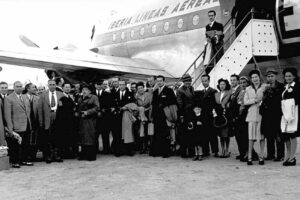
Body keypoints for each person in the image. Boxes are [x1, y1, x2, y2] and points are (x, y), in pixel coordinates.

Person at [4, 81, 33, 168]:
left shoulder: (25, 97)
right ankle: (15, 161)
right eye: (17, 86)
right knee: (15, 146)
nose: (19, 88)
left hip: (27, 124)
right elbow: (7, 115)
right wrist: (10, 129)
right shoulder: (9, 98)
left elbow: (28, 111)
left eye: (20, 86)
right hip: (16, 126)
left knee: (26, 144)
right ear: (13, 87)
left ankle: (24, 160)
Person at [260, 68, 285, 161]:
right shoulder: (265, 87)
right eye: (268, 76)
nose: (270, 78)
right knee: (269, 135)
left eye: (272, 76)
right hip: (267, 115)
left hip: (278, 114)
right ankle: (270, 154)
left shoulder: (281, 86)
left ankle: (280, 155)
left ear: (276, 76)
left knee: (278, 136)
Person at [244, 70, 267, 165]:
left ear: (259, 77)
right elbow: (245, 101)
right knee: (251, 137)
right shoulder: (248, 89)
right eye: (253, 77)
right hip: (252, 114)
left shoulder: (264, 87)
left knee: (262, 137)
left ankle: (261, 157)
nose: (255, 79)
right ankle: (250, 157)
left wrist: (262, 101)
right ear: (251, 79)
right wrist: (254, 100)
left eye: (256, 77)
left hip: (262, 114)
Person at [38, 79, 64, 163]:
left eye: (53, 84)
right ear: (48, 85)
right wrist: (41, 121)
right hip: (47, 118)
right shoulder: (43, 95)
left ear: (56, 85)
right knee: (47, 138)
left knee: (58, 137)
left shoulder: (61, 94)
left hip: (58, 117)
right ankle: (48, 156)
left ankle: (57, 155)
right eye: (50, 84)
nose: (52, 86)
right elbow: (40, 109)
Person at [151, 75, 177, 158]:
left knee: (165, 134)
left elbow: (173, 102)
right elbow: (153, 104)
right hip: (157, 116)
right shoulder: (155, 92)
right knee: (157, 133)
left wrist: (164, 105)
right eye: (158, 81)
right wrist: (152, 115)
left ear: (164, 81)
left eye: (161, 80)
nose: (159, 82)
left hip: (165, 115)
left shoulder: (169, 91)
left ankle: (165, 152)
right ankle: (157, 151)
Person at [281, 67, 300, 166]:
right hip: (285, 113)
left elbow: (297, 99)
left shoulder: (297, 86)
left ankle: (292, 157)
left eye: (290, 76)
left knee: (292, 134)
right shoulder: (285, 87)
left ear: (294, 76)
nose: (288, 78)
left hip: (293, 113)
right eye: (286, 76)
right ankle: (287, 155)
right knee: (286, 135)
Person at [112, 80, 135, 156]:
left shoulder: (130, 94)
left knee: (128, 132)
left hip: (127, 115)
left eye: (123, 84)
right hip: (117, 116)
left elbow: (133, 104)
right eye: (120, 84)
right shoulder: (114, 94)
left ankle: (129, 150)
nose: (121, 86)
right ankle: (118, 151)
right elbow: (112, 104)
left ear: (125, 85)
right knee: (118, 133)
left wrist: (127, 107)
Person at [197, 74, 219, 157]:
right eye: (202, 81)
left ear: (209, 81)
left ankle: (215, 151)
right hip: (203, 115)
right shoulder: (201, 92)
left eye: (205, 81)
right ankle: (206, 151)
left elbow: (217, 104)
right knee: (204, 134)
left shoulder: (214, 91)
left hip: (211, 115)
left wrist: (215, 115)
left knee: (213, 134)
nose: (204, 82)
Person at [76, 84, 99, 161]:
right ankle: (83, 154)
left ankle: (91, 155)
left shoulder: (94, 97)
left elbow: (97, 108)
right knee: (82, 137)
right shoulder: (80, 98)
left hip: (90, 120)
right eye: (83, 90)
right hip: (81, 120)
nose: (84, 91)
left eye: (86, 90)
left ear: (90, 91)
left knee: (90, 137)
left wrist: (87, 112)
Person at [56, 83, 77, 158]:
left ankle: (69, 153)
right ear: (63, 88)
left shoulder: (70, 97)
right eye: (66, 87)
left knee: (69, 137)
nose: (68, 88)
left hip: (70, 121)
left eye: (69, 87)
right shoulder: (61, 97)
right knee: (64, 137)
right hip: (64, 121)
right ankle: (64, 153)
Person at [176, 74, 195, 158]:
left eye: (189, 81)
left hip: (192, 113)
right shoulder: (180, 90)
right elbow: (179, 104)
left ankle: (191, 152)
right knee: (184, 133)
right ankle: (183, 153)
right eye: (186, 81)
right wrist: (181, 115)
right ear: (183, 82)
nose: (188, 82)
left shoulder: (191, 88)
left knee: (191, 133)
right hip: (184, 114)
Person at [94, 80, 113, 154]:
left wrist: (102, 111)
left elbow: (109, 105)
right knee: (95, 134)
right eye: (97, 84)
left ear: (102, 85)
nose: (99, 86)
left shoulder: (107, 94)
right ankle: (95, 149)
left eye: (100, 84)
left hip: (104, 117)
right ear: (95, 85)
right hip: (94, 117)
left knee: (105, 134)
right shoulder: (92, 94)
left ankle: (106, 149)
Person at [214, 78, 231, 158]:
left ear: (226, 85)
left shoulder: (229, 92)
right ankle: (222, 150)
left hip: (226, 115)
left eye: (223, 84)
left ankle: (227, 150)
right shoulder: (216, 94)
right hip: (219, 115)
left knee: (226, 134)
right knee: (220, 134)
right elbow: (215, 104)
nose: (222, 86)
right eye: (221, 84)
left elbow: (230, 102)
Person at [227, 74, 243, 159]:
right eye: (231, 80)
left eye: (234, 80)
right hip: (233, 115)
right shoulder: (231, 90)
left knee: (241, 135)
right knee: (237, 136)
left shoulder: (240, 89)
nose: (232, 81)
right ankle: (242, 153)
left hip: (238, 115)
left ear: (237, 81)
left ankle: (246, 153)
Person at [23, 83, 39, 161]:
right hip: (26, 122)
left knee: (35, 139)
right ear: (28, 89)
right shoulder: (22, 97)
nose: (35, 88)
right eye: (33, 87)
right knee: (26, 139)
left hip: (35, 122)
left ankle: (33, 156)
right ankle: (26, 155)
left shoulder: (37, 98)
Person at [135, 82, 152, 154]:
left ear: (143, 88)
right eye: (138, 88)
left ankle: (149, 147)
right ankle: (143, 147)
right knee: (142, 132)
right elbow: (135, 107)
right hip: (140, 116)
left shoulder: (148, 95)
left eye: (141, 88)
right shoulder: (135, 96)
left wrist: (145, 109)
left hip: (148, 114)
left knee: (149, 131)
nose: (140, 89)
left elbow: (151, 105)